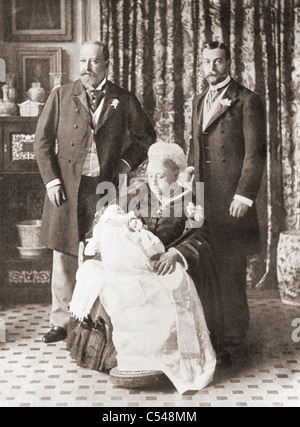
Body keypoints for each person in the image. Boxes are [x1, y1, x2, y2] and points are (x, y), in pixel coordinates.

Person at [67, 142, 222, 394]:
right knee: (97, 276)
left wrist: (175, 253)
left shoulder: (190, 201)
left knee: (159, 290)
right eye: (150, 176)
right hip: (131, 264)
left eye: (160, 176)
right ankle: (122, 356)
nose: (154, 182)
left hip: (164, 265)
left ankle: (155, 358)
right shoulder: (138, 195)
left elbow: (203, 237)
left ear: (175, 174)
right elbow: (110, 218)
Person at [33, 41, 156, 344]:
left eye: (95, 62)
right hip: (66, 187)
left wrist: (126, 162)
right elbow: (42, 142)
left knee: (99, 252)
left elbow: (146, 138)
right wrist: (52, 181)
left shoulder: (123, 99)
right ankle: (61, 321)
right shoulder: (61, 95)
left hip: (104, 188)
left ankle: (93, 319)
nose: (87, 68)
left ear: (106, 64)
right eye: (83, 61)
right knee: (63, 254)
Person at [188, 41, 266, 364]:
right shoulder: (198, 100)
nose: (212, 68)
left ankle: (234, 343)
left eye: (218, 62)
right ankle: (212, 338)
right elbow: (195, 145)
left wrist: (244, 195)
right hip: (204, 201)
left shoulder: (246, 100)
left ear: (229, 63)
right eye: (206, 62)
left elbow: (255, 153)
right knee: (207, 267)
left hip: (232, 201)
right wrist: (188, 182)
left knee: (231, 271)